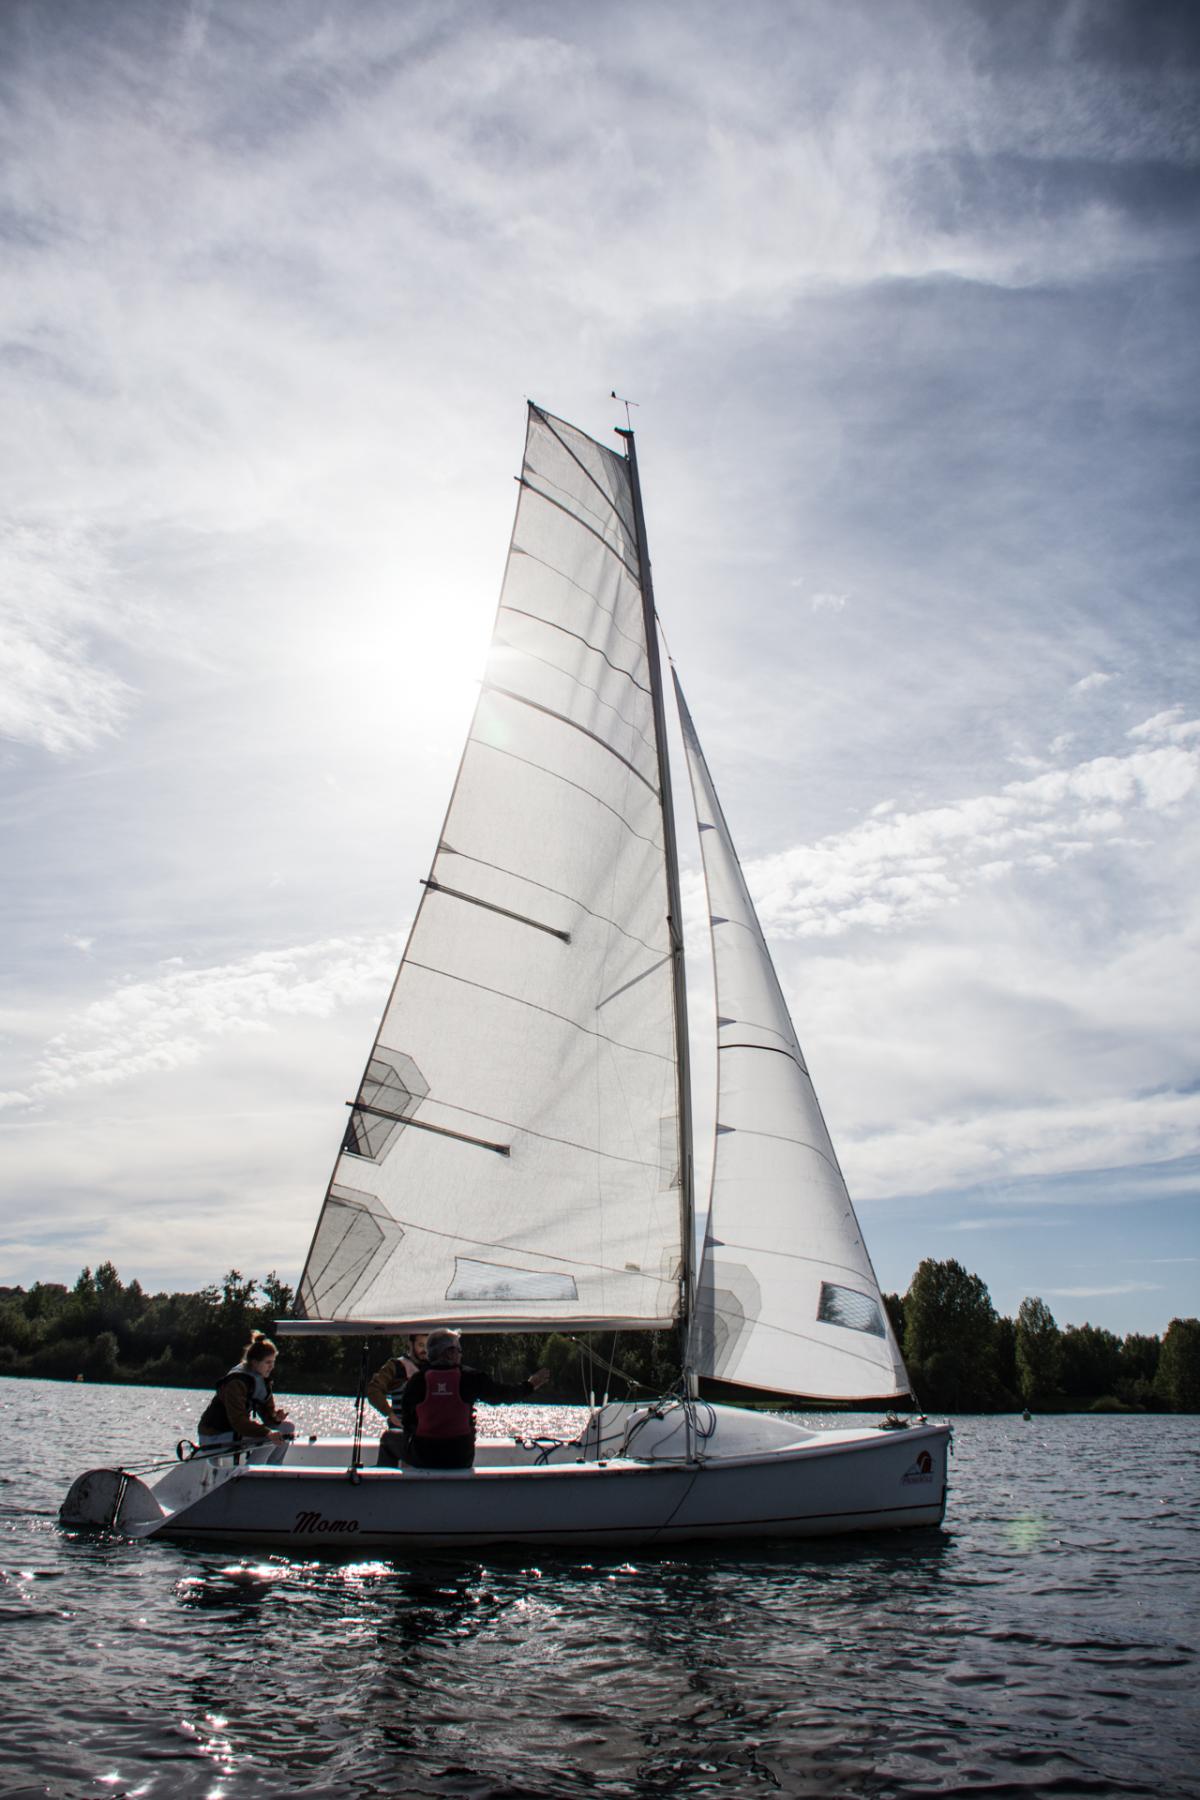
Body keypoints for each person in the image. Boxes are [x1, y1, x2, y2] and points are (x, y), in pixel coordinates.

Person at [399, 1328, 550, 1470]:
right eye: (458, 1350)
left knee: (396, 1441)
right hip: (459, 1458)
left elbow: (407, 1420)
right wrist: (530, 1385)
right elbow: (502, 1395)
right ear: (449, 1353)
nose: (460, 1355)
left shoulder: (416, 1381)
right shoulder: (470, 1378)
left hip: (424, 1458)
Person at [197, 1330, 294, 1455]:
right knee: (267, 1437)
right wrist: (267, 1433)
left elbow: (268, 1419)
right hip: (214, 1436)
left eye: (273, 1362)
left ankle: (273, 1466)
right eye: (268, 1362)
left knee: (287, 1428)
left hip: (236, 1433)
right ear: (254, 1363)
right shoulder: (236, 1383)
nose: (272, 1367)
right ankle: (256, 1467)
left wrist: (276, 1418)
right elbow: (238, 1422)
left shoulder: (263, 1382)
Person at [366, 1334, 429, 1470]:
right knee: (389, 1439)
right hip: (402, 1432)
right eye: (421, 1345)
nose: (425, 1350)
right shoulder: (396, 1366)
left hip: (428, 1434)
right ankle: (386, 1476)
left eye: (428, 1346)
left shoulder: (436, 1368)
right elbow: (374, 1389)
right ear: (411, 1344)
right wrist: (389, 1413)